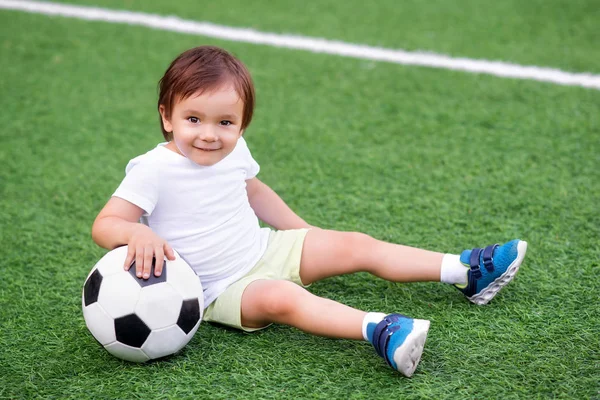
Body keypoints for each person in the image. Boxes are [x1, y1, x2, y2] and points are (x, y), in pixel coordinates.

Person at [91, 45, 527, 377]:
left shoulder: (235, 150)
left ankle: (466, 272)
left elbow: (253, 191)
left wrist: (302, 234)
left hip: (265, 248)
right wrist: (137, 234)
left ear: (241, 124)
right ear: (167, 116)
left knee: (355, 245)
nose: (209, 134)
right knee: (284, 299)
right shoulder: (154, 169)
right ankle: (379, 329)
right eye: (194, 119)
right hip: (217, 289)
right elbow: (106, 223)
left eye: (225, 122)